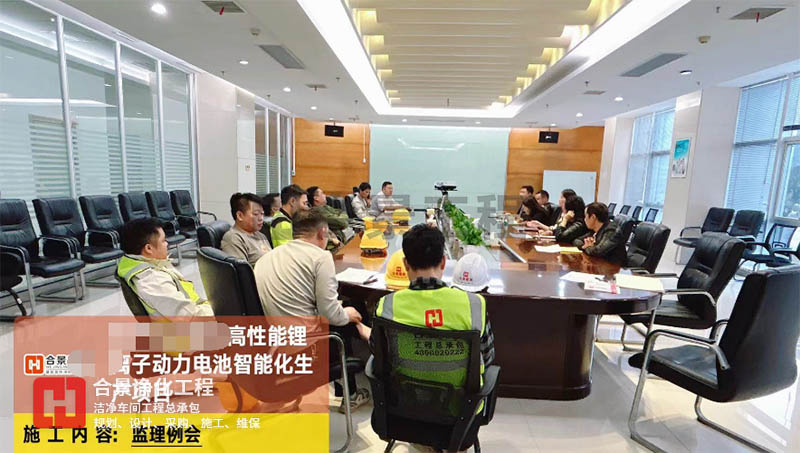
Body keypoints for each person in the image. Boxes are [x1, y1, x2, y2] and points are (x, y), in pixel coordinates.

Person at [253, 211, 371, 411]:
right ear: (322, 232)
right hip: (303, 345)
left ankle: (363, 335)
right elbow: (330, 314)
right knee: (348, 314)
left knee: (345, 313)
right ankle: (351, 394)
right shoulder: (320, 257)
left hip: (274, 343)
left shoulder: (267, 257)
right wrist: (350, 316)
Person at [371, 224, 495, 404]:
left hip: (405, 405)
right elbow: (487, 357)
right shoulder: (474, 305)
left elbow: (378, 353)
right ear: (443, 262)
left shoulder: (387, 306)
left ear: (406, 264)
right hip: (460, 410)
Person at [117, 217, 213, 318]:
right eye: (163, 241)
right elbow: (190, 317)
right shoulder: (154, 280)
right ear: (148, 248)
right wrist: (219, 311)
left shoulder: (147, 265)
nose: (167, 244)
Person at [220, 193, 271, 266]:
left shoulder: (260, 235)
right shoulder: (233, 238)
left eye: (262, 214)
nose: (261, 218)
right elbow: (241, 270)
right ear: (240, 216)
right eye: (256, 214)